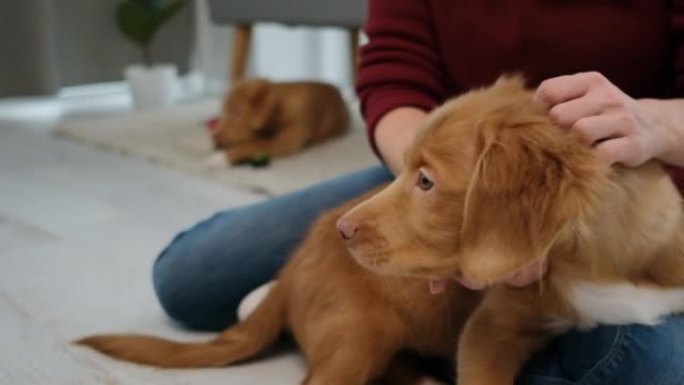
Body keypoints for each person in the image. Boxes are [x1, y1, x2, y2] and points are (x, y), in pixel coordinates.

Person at [153, 1, 684, 383]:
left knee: (651, 365)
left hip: (626, 196)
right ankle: (312, 300)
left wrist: (661, 125)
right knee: (186, 278)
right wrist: (437, 188)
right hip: (452, 164)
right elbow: (392, 74)